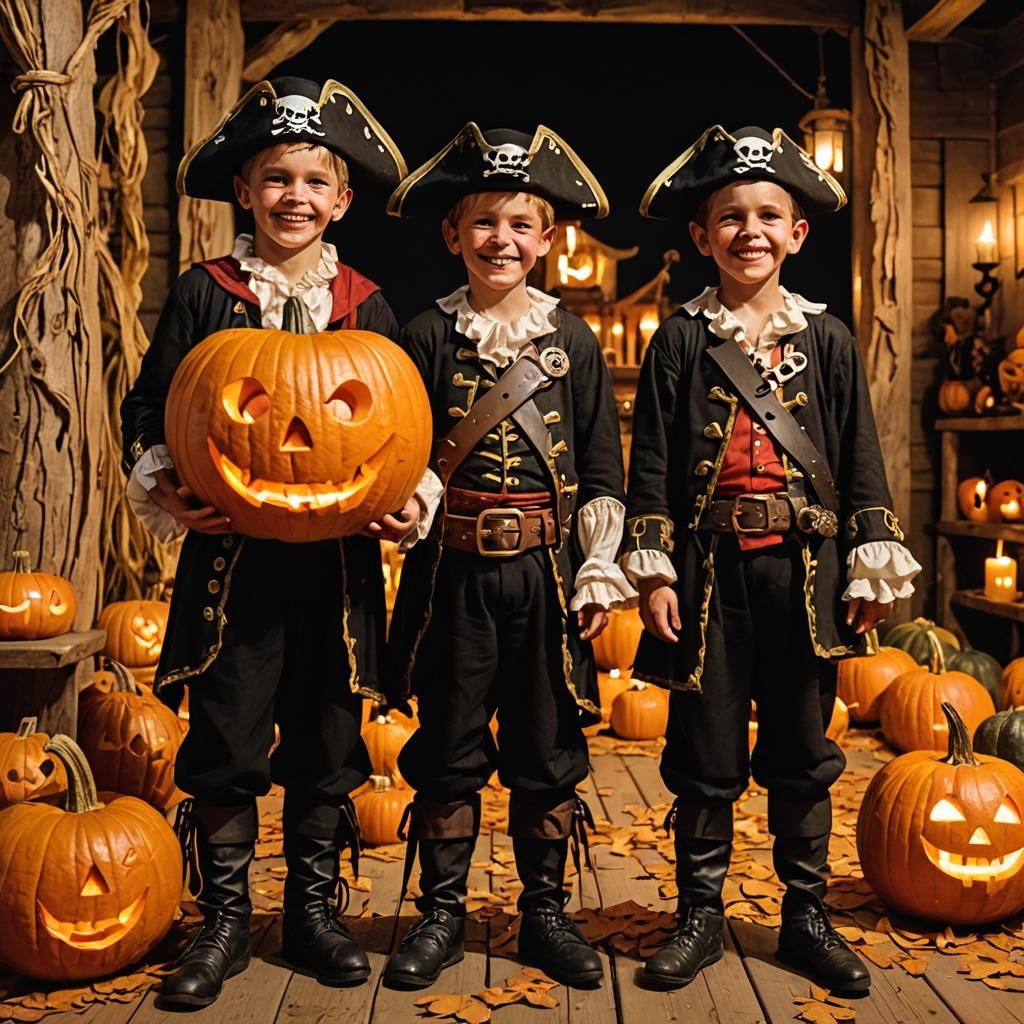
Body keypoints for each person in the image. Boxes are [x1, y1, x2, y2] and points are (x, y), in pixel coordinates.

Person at [120, 77, 410, 1008]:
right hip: (233, 562)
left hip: (336, 561)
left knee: (330, 736)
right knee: (226, 735)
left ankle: (314, 915)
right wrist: (162, 478)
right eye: (276, 178)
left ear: (342, 200)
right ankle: (226, 920)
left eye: (314, 182)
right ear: (244, 191)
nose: (296, 197)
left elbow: (408, 426)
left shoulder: (367, 305)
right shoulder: (205, 295)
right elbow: (146, 407)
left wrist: (412, 501)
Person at [624, 125, 921, 994]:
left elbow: (860, 452)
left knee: (801, 751)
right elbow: (651, 465)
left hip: (805, 576)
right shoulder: (679, 339)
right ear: (701, 236)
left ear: (796, 232)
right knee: (704, 751)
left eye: (767, 215)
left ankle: (805, 917)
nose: (748, 230)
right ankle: (700, 915)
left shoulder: (827, 340)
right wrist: (654, 567)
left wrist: (870, 554)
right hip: (711, 580)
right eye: (729, 216)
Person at [380, 123, 635, 990]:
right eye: (485, 222)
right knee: (447, 743)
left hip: (550, 575)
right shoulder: (423, 335)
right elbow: (401, 447)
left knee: (548, 743)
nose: (503, 240)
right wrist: (407, 496)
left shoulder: (578, 341)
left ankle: (544, 914)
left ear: (548, 239)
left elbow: (602, 465)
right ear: (454, 234)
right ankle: (442, 916)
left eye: (522, 224)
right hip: (450, 572)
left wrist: (601, 564)